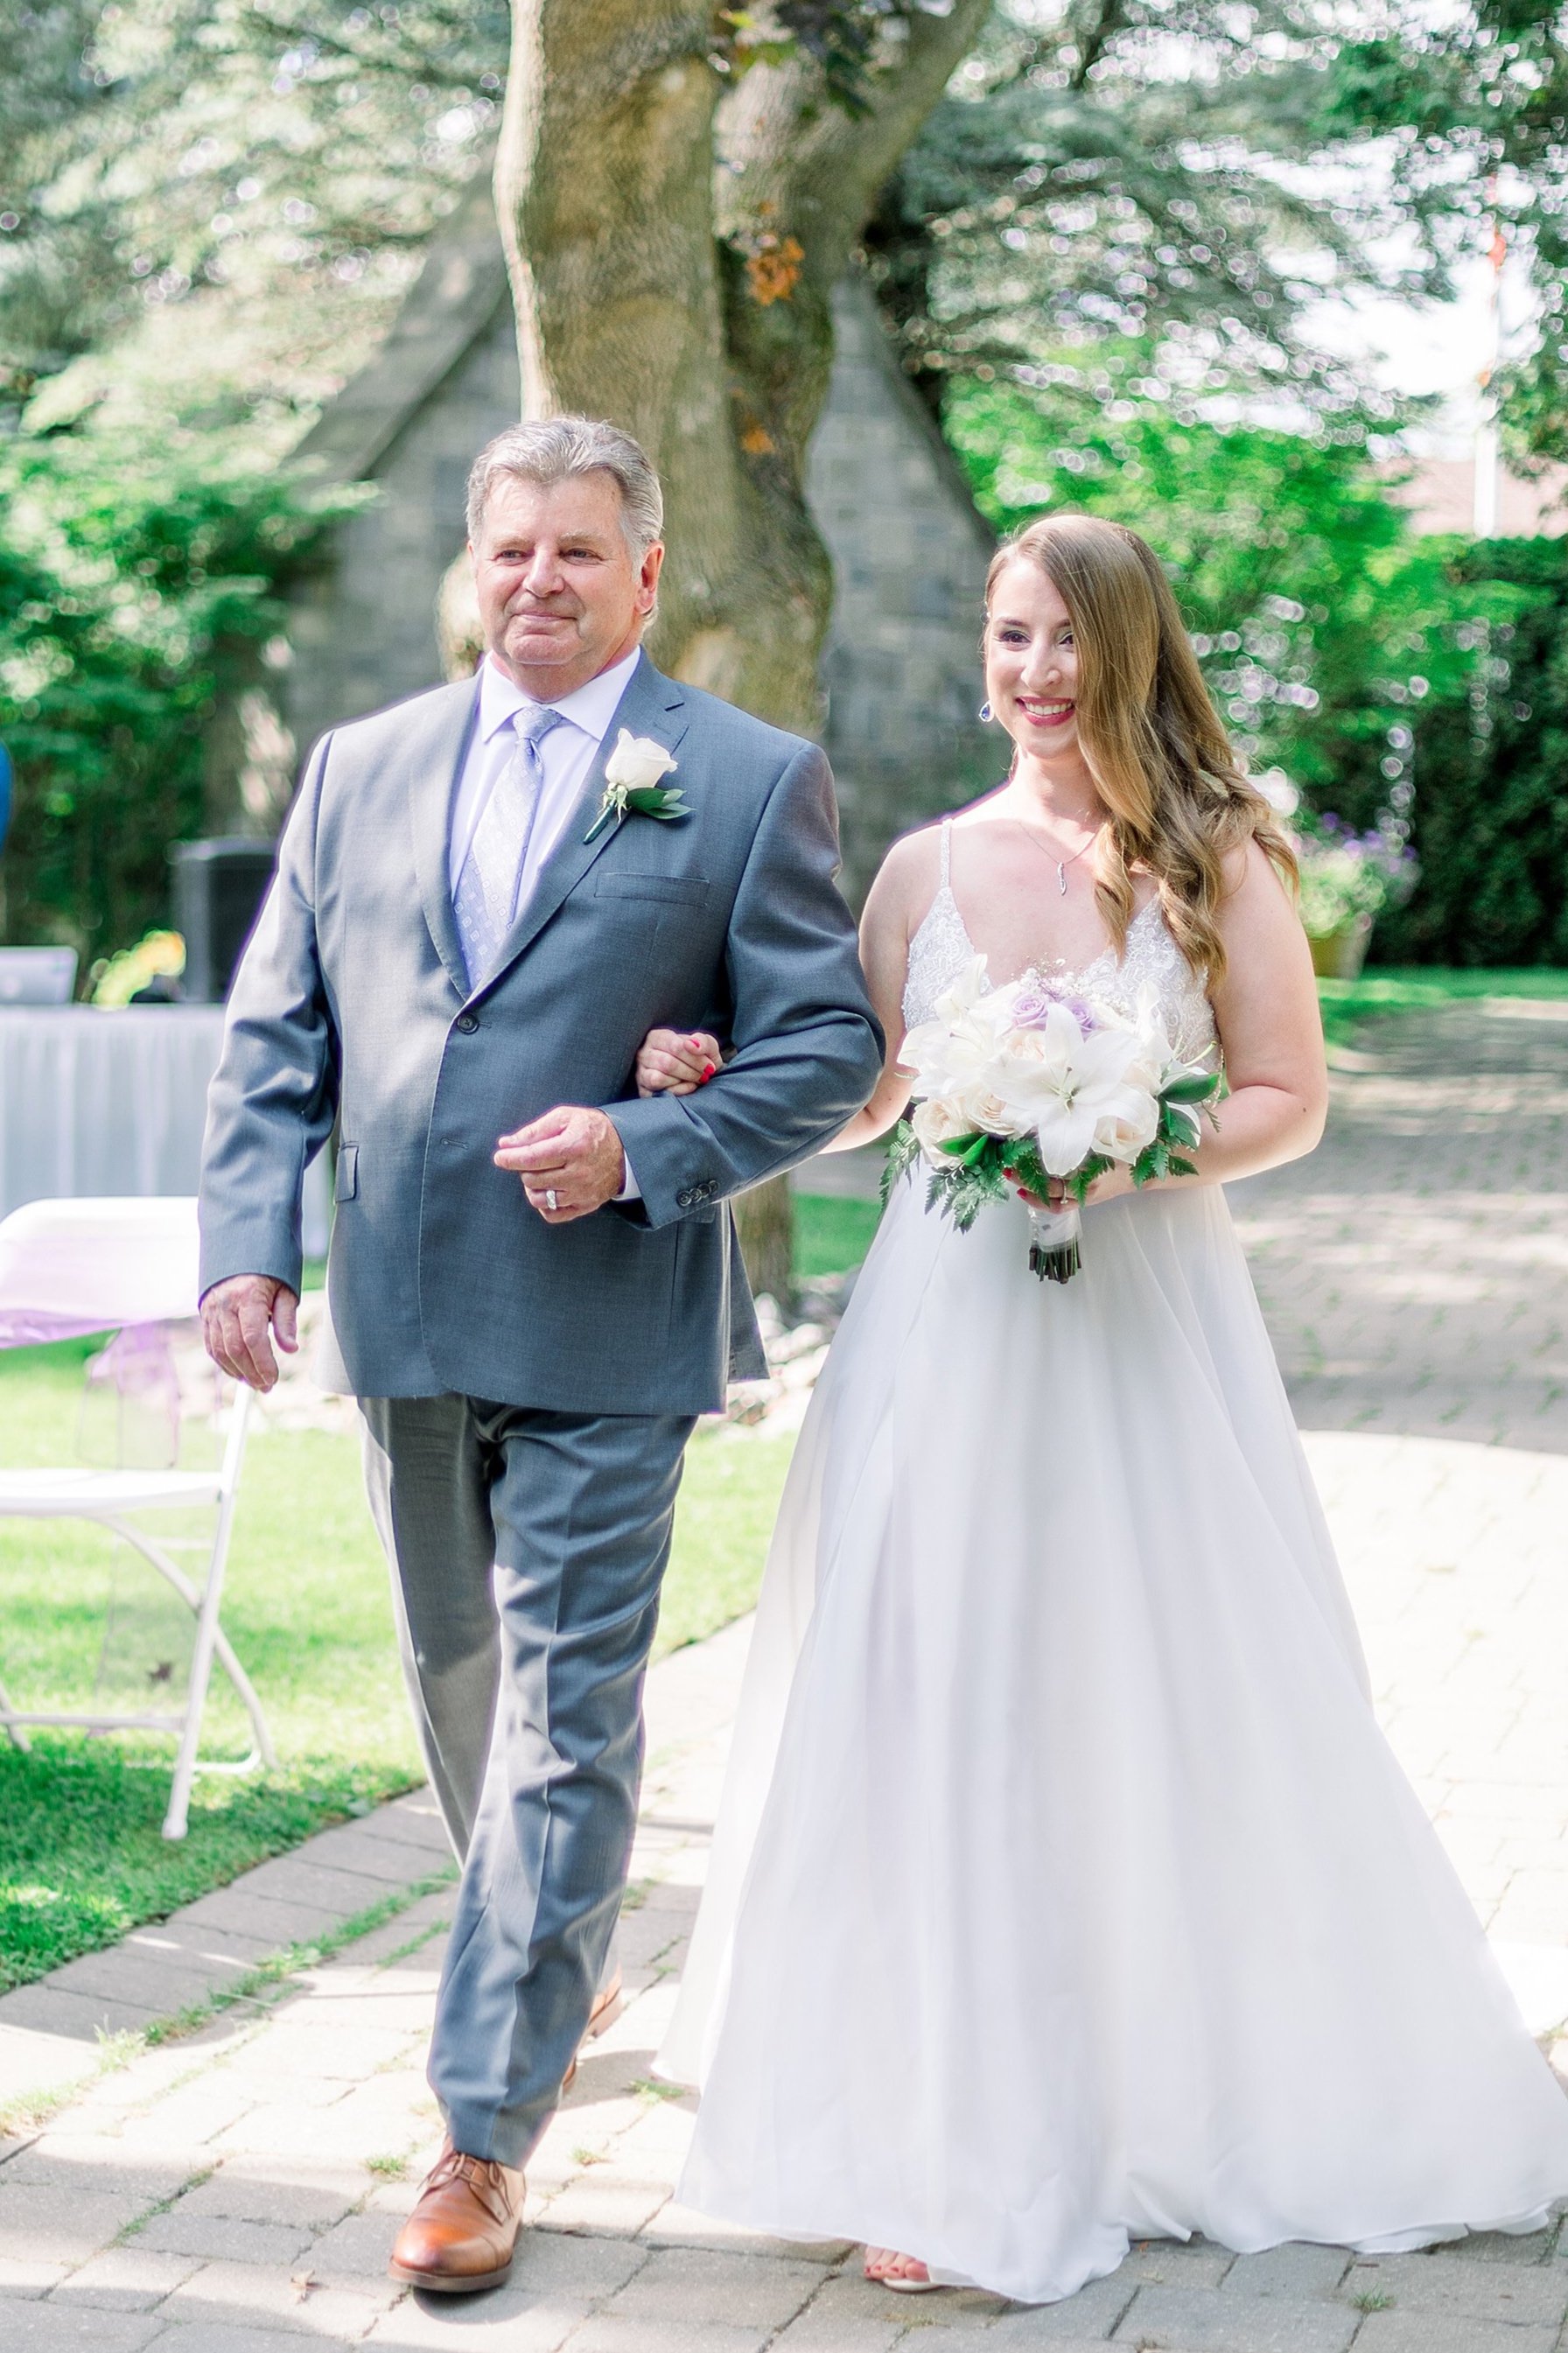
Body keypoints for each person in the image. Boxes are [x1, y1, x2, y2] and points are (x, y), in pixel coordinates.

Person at [640, 513, 1568, 2305]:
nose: (1035, 675)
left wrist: (1120, 1145)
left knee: (1161, 1671)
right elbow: (873, 1093)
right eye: (1007, 639)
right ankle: (930, 2121)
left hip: (1136, 1323)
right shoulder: (920, 866)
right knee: (938, 1682)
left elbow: (1286, 1097)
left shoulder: (1214, 856)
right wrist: (714, 1072)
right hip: (945, 1331)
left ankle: (1174, 2087)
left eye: (1067, 641)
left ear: (1130, 653)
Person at [197, 416, 883, 2296]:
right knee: (459, 1689)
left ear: (645, 574)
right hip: (405, 1308)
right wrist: (248, 1248)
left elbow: (821, 1044)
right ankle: (553, 1956)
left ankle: (479, 2133)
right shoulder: (358, 767)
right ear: (472, 562)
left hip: (606, 1320)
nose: (538, 582)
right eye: (510, 549)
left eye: (580, 552)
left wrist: (652, 1142)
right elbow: (279, 1036)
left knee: (566, 1713)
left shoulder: (739, 783)